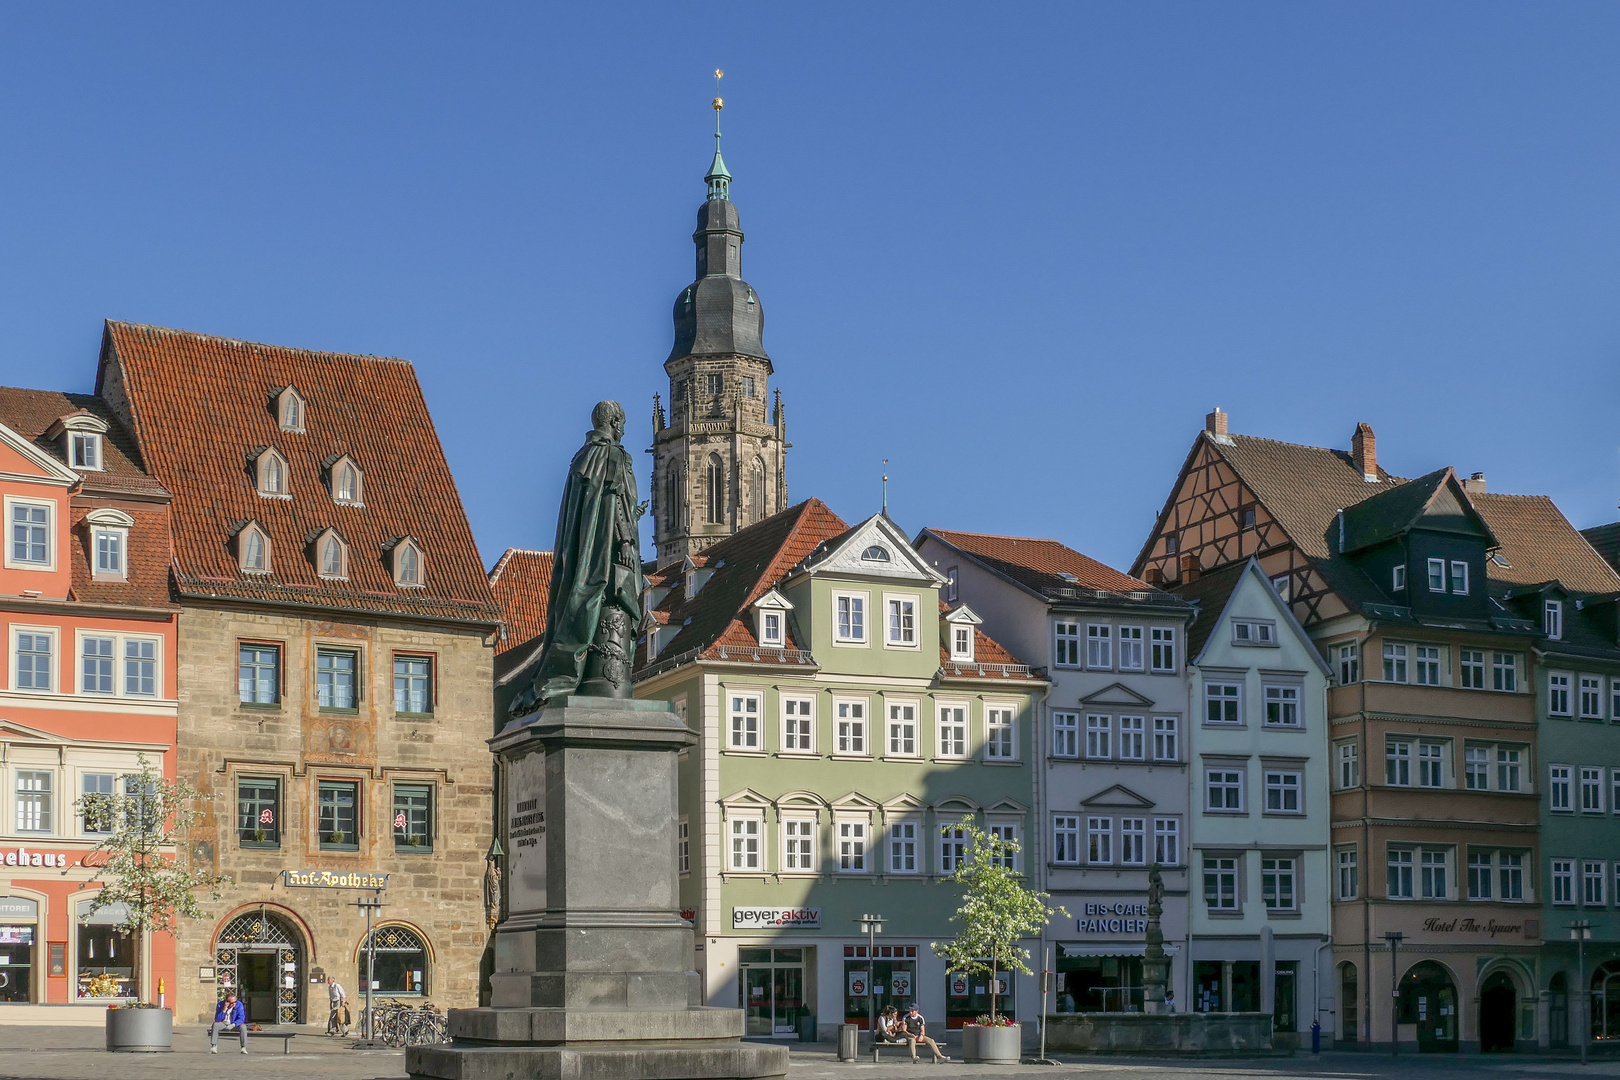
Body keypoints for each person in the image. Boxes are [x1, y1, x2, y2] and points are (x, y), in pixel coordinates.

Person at [210, 990, 248, 1054]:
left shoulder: (239, 1005)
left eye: (234, 1002)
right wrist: (224, 1010)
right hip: (223, 1023)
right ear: (226, 1002)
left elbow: (242, 1018)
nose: (233, 1004)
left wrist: (234, 1024)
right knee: (215, 1025)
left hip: (234, 1023)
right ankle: (214, 1046)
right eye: (231, 1002)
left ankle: (243, 1047)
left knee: (243, 1027)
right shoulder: (220, 1005)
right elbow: (217, 1019)